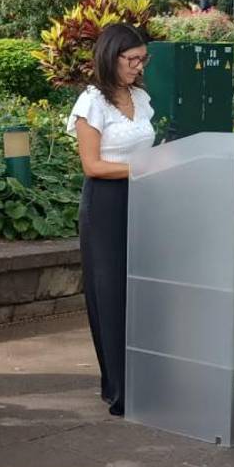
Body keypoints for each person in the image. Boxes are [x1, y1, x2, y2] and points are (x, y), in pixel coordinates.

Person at [66, 23, 155, 417]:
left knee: (143, 290)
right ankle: (119, 387)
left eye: (142, 60)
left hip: (146, 202)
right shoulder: (92, 102)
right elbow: (92, 165)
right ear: (111, 56)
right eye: (131, 60)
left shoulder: (141, 97)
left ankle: (148, 377)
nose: (138, 67)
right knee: (111, 292)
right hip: (106, 204)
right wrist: (143, 170)